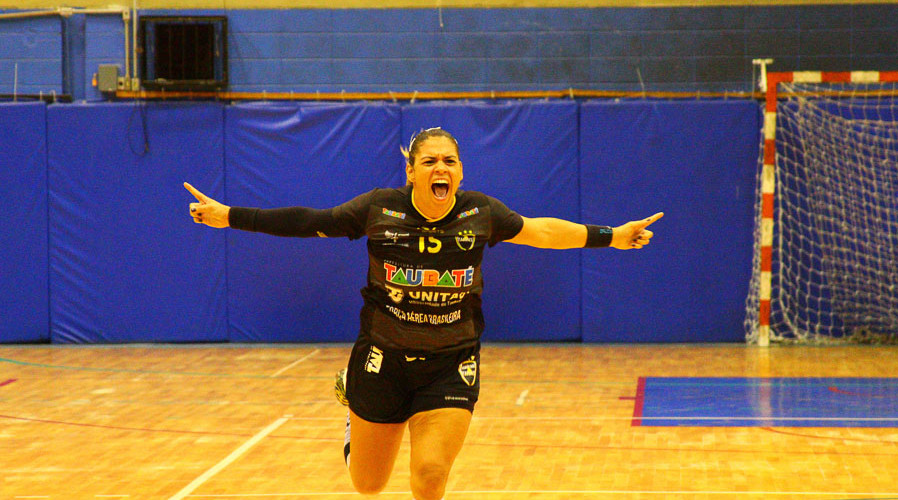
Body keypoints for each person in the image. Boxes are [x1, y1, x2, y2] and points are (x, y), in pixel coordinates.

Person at [185, 127, 662, 500]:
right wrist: (230, 215)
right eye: (430, 160)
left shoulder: (480, 213)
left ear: (460, 172)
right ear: (411, 171)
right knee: (368, 485)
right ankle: (353, 408)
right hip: (382, 358)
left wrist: (612, 236)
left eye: (449, 161)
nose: (441, 168)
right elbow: (309, 221)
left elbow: (542, 231)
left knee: (430, 476)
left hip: (451, 361)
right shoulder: (379, 209)